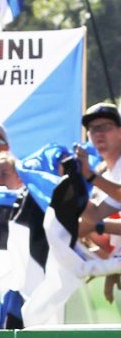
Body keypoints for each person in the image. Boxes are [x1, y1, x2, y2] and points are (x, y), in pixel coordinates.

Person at [76, 102, 121, 303]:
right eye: (93, 129)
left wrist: (90, 177)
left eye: (106, 127)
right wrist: (74, 186)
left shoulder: (100, 177)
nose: (99, 133)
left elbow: (98, 223)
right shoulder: (105, 174)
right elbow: (93, 218)